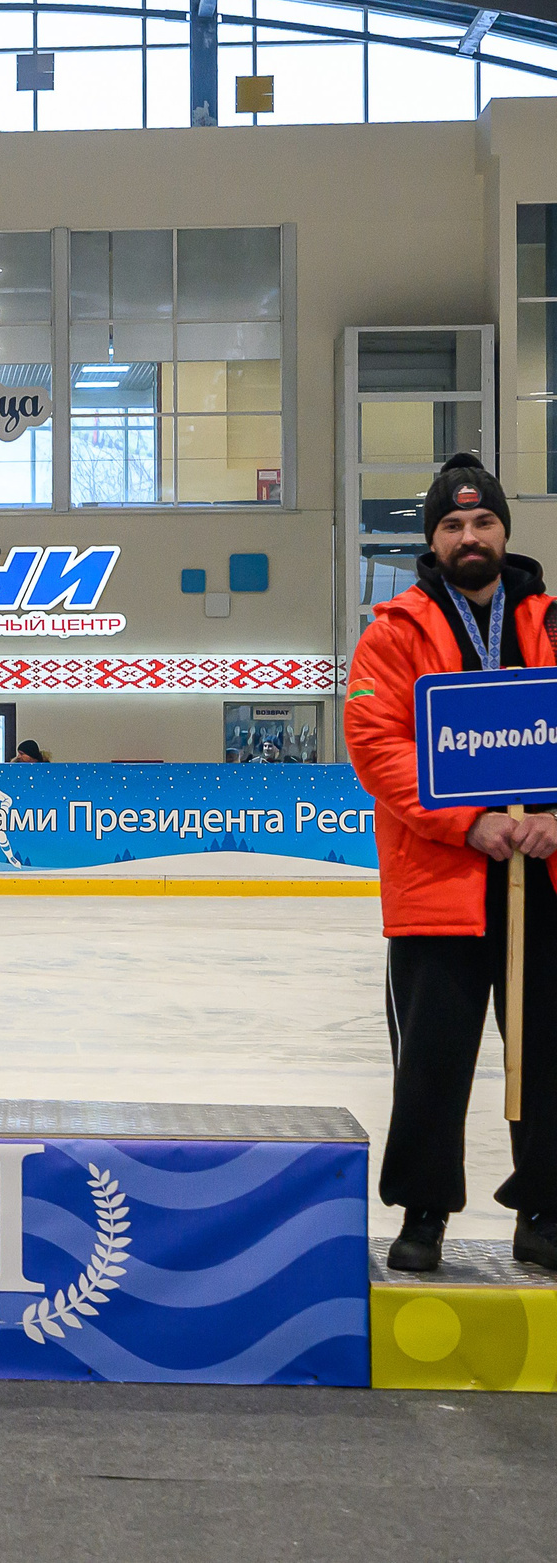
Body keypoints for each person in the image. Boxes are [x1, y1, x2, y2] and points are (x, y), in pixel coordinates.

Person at [345, 452, 557, 1274]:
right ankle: (423, 1209)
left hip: (541, 882)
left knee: (546, 1052)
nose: (470, 535)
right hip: (440, 885)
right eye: (453, 524)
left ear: (505, 529)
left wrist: (552, 822)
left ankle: (544, 1208)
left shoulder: (550, 620)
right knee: (432, 1055)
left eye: (483, 521)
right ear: (434, 541)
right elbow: (376, 744)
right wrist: (466, 823)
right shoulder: (393, 631)